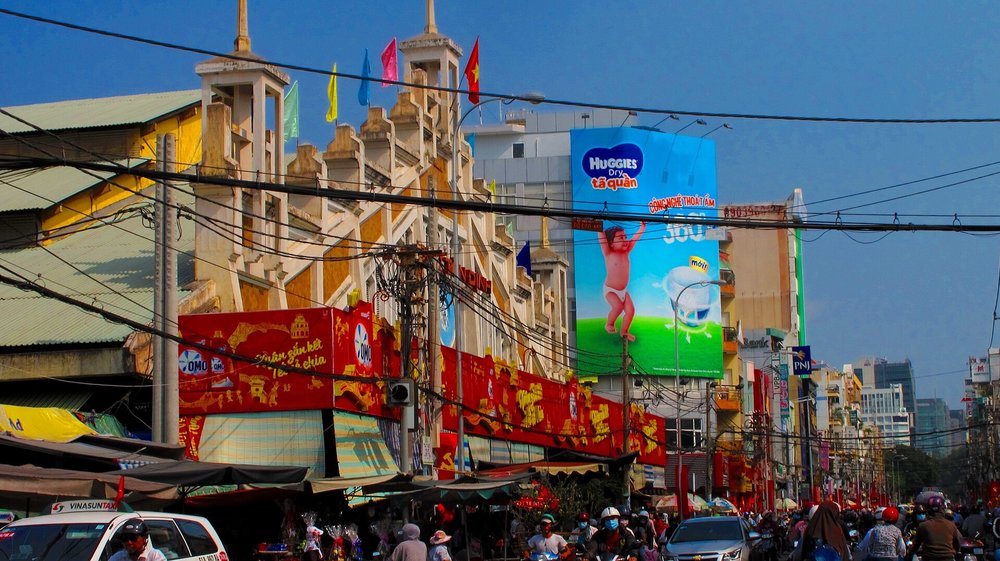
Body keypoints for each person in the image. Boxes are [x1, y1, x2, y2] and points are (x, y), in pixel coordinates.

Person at [598, 221, 645, 341]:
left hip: (623, 291)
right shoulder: (608, 253)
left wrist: (642, 227)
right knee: (618, 307)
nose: (625, 240)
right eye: (620, 238)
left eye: (625, 237)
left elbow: (635, 239)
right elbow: (602, 238)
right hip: (610, 290)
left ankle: (624, 331)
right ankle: (609, 324)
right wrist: (598, 226)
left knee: (631, 311)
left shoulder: (626, 251)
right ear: (611, 243)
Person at [906, 496, 961, 561]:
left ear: (928, 510)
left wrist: (908, 553)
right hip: (948, 558)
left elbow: (915, 546)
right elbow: (957, 544)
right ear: (943, 509)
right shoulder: (951, 525)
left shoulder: (923, 526)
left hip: (929, 558)